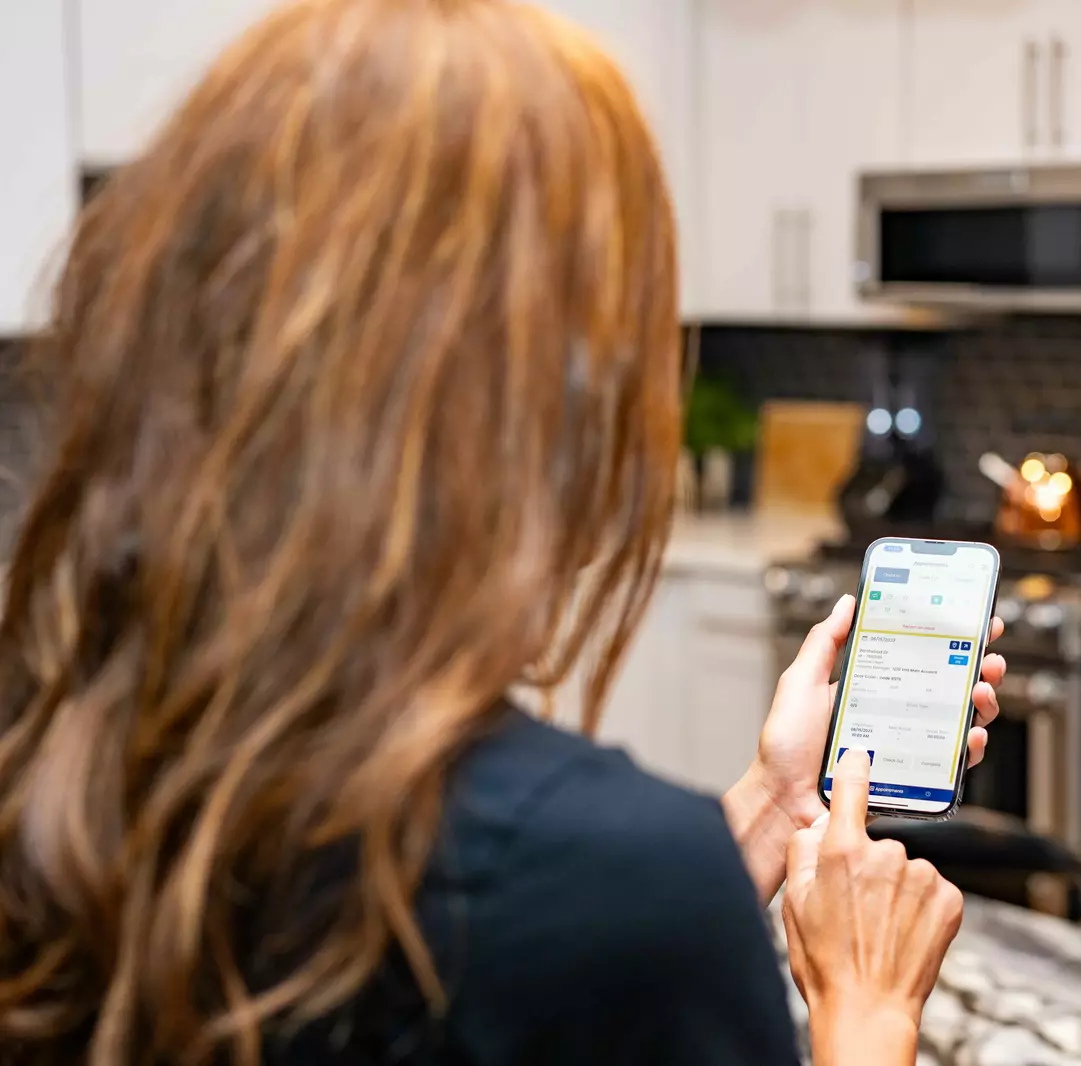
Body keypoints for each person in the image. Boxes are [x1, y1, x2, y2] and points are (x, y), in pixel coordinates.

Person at [0, 2, 1008, 1064]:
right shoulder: (613, 884)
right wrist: (867, 1007)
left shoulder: (63, 756)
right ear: (562, 394)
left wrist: (763, 813)